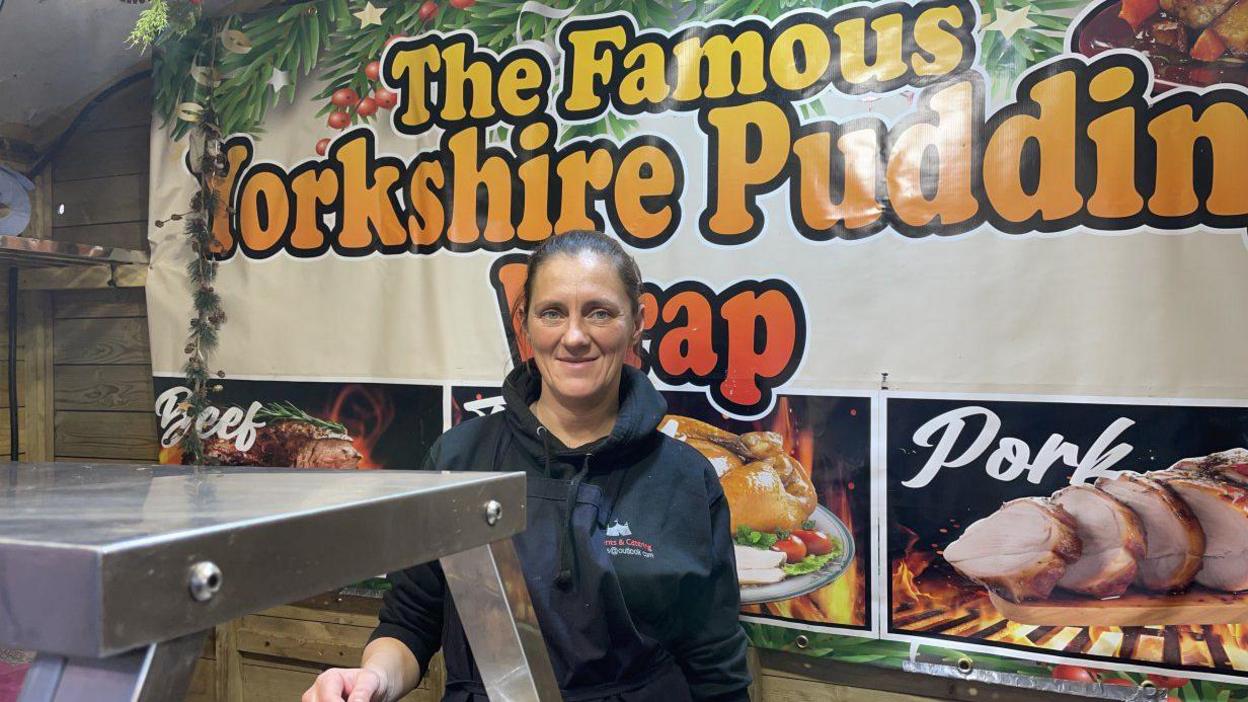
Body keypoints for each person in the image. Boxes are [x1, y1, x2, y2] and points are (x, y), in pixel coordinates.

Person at [304, 231, 751, 702]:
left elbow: (716, 665)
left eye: (599, 312)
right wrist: (373, 677)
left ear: (637, 322)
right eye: (552, 312)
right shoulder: (460, 460)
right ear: (525, 324)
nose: (574, 337)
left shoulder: (684, 478)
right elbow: (410, 622)